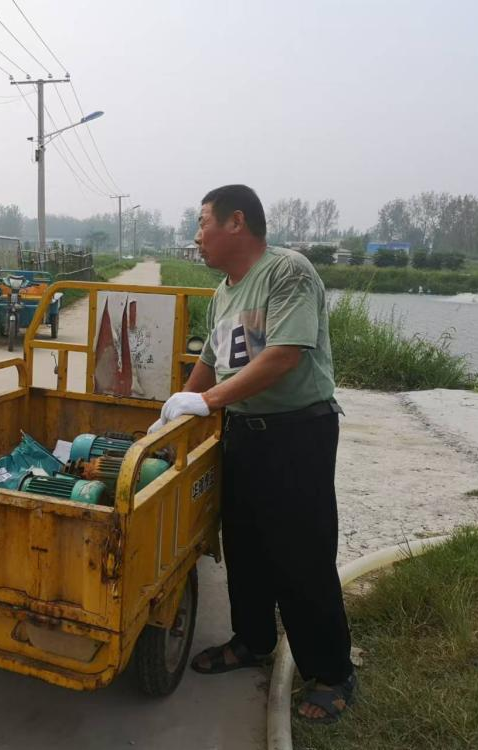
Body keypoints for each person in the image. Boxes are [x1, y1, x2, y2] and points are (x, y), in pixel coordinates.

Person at [149, 185, 355, 724]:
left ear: (236, 222)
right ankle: (252, 641)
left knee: (301, 555)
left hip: (297, 434)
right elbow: (210, 363)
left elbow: (285, 355)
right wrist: (174, 415)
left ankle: (331, 673)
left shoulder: (287, 272)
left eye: (202, 223)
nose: (197, 237)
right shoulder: (224, 292)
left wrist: (208, 401)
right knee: (245, 546)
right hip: (244, 433)